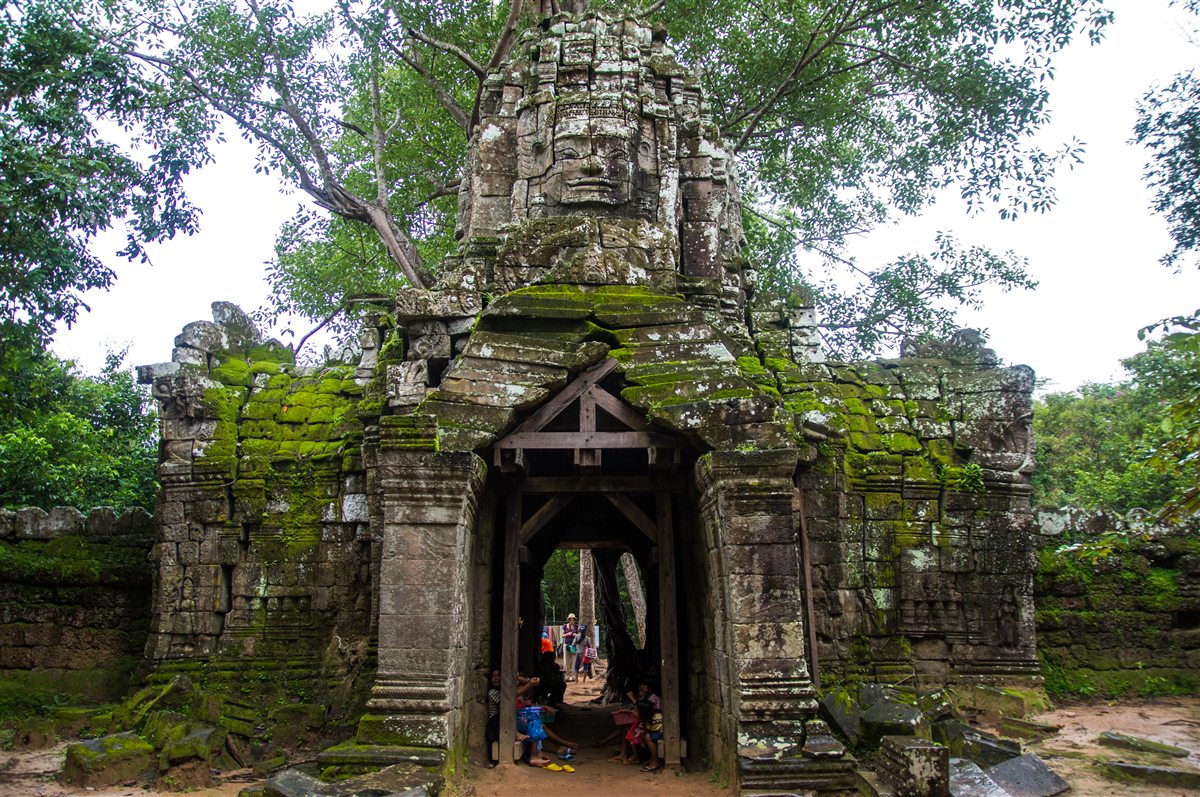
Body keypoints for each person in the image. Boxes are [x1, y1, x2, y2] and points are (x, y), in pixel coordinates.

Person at [561, 613, 580, 680]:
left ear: (574, 619)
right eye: (570, 619)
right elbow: (562, 635)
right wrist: (568, 634)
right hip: (566, 645)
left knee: (574, 661)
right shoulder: (565, 626)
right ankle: (567, 676)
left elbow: (579, 636)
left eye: (573, 619)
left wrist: (575, 635)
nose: (572, 620)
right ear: (568, 619)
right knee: (566, 661)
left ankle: (574, 676)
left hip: (574, 646)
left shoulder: (577, 627)